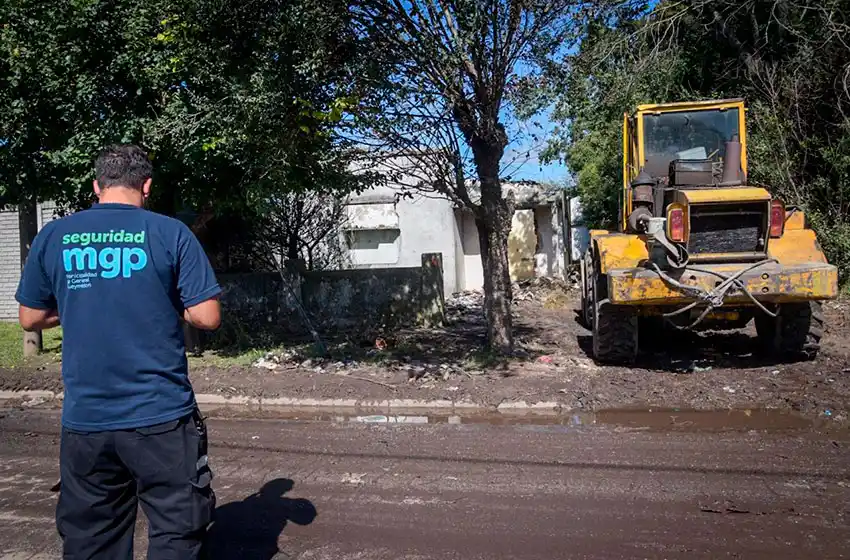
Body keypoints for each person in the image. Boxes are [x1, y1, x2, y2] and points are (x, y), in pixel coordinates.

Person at [16, 144, 222, 559]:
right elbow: (207, 316)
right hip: (161, 416)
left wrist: (74, 305)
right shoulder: (170, 233)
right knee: (177, 532)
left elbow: (30, 317)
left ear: (97, 186)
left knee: (93, 539)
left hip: (87, 420)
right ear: (147, 186)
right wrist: (166, 302)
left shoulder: (54, 235)